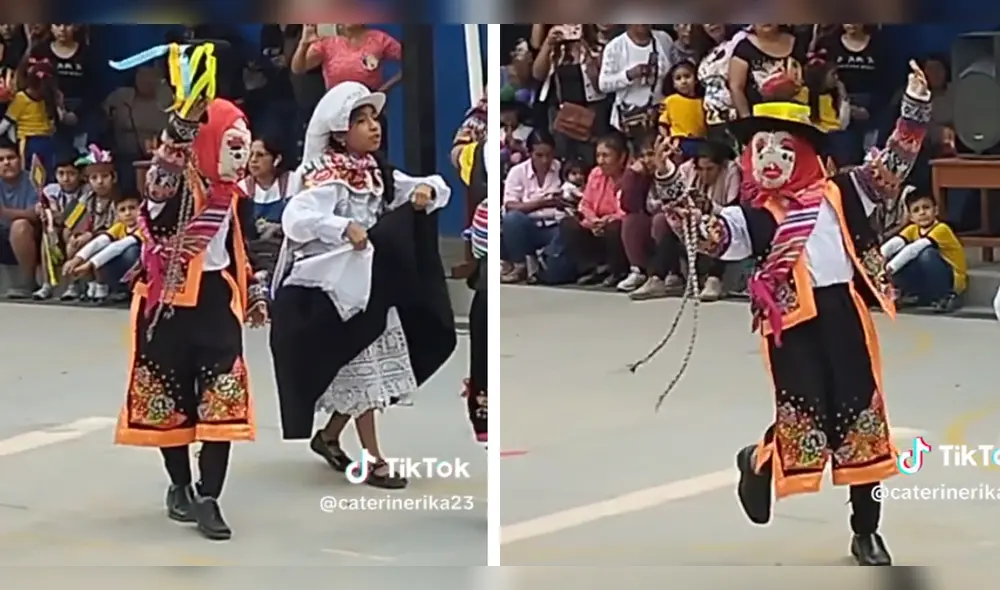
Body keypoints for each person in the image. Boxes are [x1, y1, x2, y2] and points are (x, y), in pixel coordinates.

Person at [652, 63, 932, 565]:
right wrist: (671, 180)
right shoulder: (753, 216)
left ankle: (866, 530)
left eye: (783, 147)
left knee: (863, 420)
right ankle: (759, 461)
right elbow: (705, 233)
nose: (771, 157)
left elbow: (894, 166)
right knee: (805, 419)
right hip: (792, 326)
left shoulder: (845, 190)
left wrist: (914, 107)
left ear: (806, 152)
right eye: (760, 147)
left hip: (845, 314)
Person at [108, 41, 269, 542]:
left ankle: (209, 495)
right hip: (166, 306)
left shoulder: (231, 194)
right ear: (208, 142)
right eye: (233, 144)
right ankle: (179, 485)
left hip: (217, 301)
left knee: (223, 397)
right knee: (169, 397)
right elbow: (158, 184)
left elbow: (241, 244)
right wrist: (183, 124)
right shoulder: (174, 185)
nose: (243, 156)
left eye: (245, 146)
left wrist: (255, 290)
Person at [268, 81, 456, 490]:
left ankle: (330, 436)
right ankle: (374, 460)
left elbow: (429, 186)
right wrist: (341, 227)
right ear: (339, 132)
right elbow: (296, 219)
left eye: (375, 118)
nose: (374, 127)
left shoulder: (375, 171)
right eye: (361, 120)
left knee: (363, 371)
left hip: (370, 287)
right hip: (332, 292)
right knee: (361, 368)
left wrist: (425, 191)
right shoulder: (323, 175)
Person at [631, 139, 740, 301]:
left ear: (721, 166)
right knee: (667, 227)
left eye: (710, 169)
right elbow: (670, 201)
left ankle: (714, 280)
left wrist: (710, 208)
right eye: (700, 169)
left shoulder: (731, 170)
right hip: (689, 226)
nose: (704, 174)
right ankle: (657, 278)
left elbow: (733, 211)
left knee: (720, 229)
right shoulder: (686, 169)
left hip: (721, 228)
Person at [559, 131, 629, 286]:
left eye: (606, 156)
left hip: (615, 226)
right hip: (595, 225)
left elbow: (626, 210)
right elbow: (585, 203)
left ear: (621, 157)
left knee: (615, 227)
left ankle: (618, 271)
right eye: (598, 156)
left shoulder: (629, 177)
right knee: (568, 224)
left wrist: (607, 220)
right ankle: (591, 269)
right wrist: (593, 220)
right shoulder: (596, 173)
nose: (601, 161)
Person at [880, 191, 965, 312]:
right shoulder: (912, 229)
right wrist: (878, 257)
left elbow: (914, 249)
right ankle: (909, 293)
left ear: (936, 210)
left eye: (926, 207)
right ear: (911, 217)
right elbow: (895, 243)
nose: (922, 213)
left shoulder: (942, 229)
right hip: (927, 279)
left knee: (926, 254)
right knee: (895, 253)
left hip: (950, 279)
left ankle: (946, 296)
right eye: (916, 210)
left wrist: (889, 269)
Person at [500, 129, 563, 285]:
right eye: (539, 155)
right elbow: (510, 205)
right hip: (528, 228)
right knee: (512, 219)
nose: (545, 160)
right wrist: (543, 203)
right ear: (529, 154)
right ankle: (519, 265)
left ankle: (544, 265)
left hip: (554, 228)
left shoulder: (562, 169)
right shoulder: (517, 172)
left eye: (549, 155)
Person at [60, 144, 119, 300]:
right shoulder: (87, 198)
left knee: (95, 244)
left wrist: (90, 235)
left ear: (114, 178)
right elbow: (71, 221)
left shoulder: (118, 199)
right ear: (88, 181)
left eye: (104, 177)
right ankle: (78, 283)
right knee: (72, 241)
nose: (100, 182)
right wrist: (72, 234)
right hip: (90, 234)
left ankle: (101, 284)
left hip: (110, 238)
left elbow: (117, 228)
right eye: (94, 178)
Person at [61, 192, 141, 303]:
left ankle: (124, 289)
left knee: (131, 251)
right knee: (99, 247)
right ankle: (110, 287)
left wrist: (89, 265)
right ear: (117, 214)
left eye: (132, 208)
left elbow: (118, 246)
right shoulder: (120, 226)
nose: (128, 213)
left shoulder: (144, 227)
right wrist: (76, 259)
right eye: (122, 210)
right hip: (123, 267)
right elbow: (100, 241)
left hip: (141, 268)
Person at [599, 25, 674, 141]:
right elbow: (603, 85)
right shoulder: (615, 46)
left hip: (661, 116)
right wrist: (629, 75)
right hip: (631, 119)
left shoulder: (664, 39)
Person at [239, 133, 300, 275]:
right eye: (251, 154)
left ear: (277, 159)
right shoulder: (242, 188)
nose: (253, 160)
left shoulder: (293, 182)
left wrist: (279, 229)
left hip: (286, 256)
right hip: (252, 259)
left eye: (260, 155)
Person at [32, 150, 87, 299]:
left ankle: (73, 284)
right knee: (47, 236)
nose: (66, 178)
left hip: (77, 229)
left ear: (81, 175)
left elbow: (76, 216)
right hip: (55, 232)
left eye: (71, 174)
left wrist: (59, 216)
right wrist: (42, 210)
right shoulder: (50, 190)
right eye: (61, 174)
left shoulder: (87, 191)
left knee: (69, 234)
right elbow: (45, 211)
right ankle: (47, 284)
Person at [0, 57, 58, 178]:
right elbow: (7, 123)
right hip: (28, 140)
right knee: (30, 173)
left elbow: (53, 120)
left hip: (47, 139)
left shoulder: (48, 99)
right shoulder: (21, 98)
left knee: (48, 173)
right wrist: (14, 141)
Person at [0, 139, 42, 298]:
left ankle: (29, 282)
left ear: (20, 159)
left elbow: (34, 215)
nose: (6, 163)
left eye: (11, 158)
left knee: (20, 225)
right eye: (1, 160)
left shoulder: (33, 180)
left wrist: (4, 212)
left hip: (30, 236)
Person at [658, 61, 707, 158]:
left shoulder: (703, 101)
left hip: (701, 141)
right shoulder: (670, 101)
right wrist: (666, 139)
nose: (683, 81)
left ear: (696, 79)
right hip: (679, 142)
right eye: (678, 78)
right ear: (674, 84)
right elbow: (663, 123)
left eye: (687, 76)